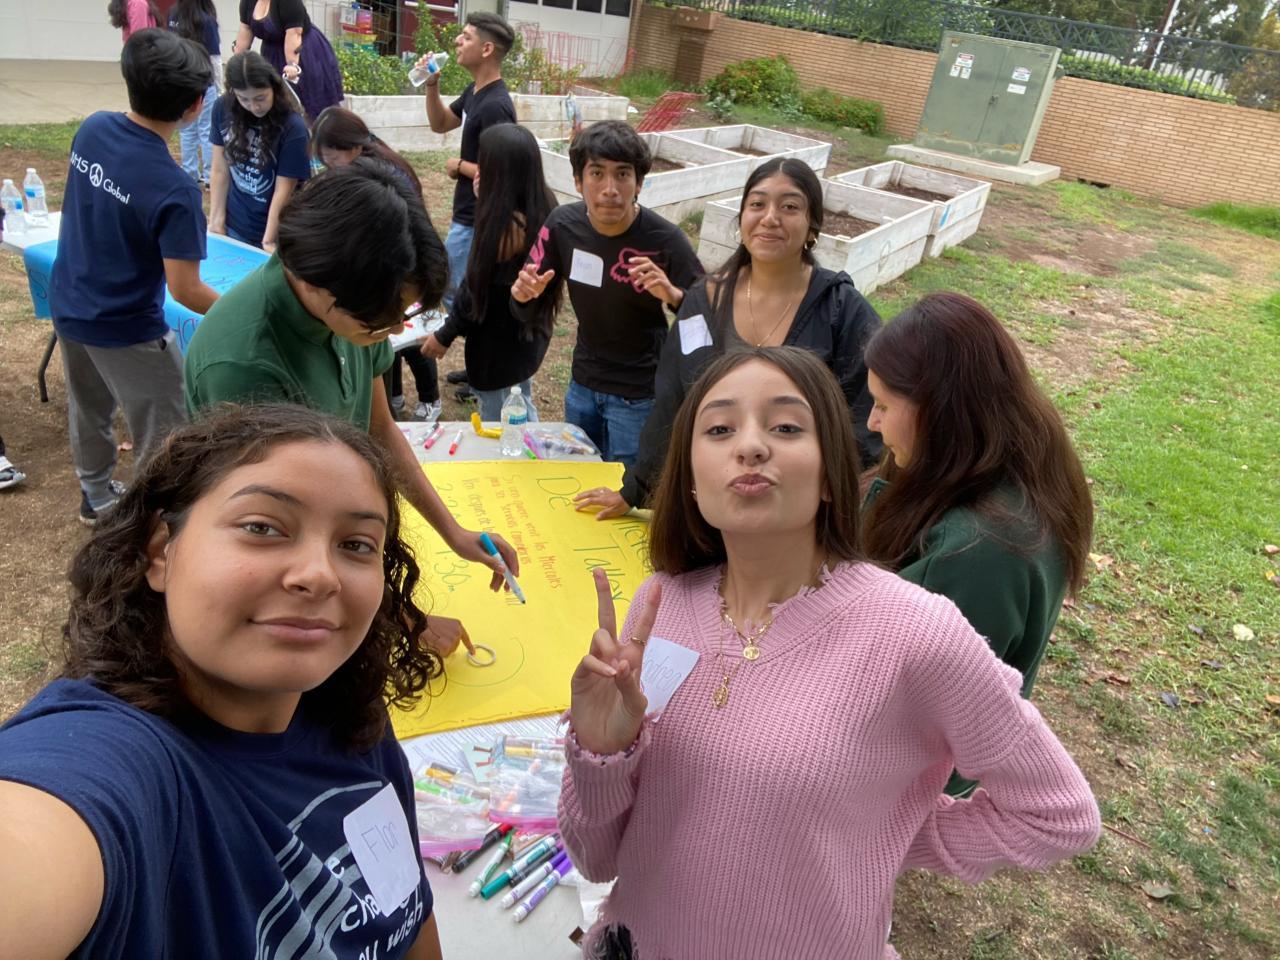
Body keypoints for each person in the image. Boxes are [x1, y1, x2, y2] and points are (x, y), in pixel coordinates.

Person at [558, 347, 1100, 960]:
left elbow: (1056, 816)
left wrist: (882, 831)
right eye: (720, 429)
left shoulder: (917, 633)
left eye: (786, 427)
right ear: (689, 477)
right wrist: (600, 753)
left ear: (828, 474)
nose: (750, 446)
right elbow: (596, 860)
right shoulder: (658, 608)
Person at [0, 404, 443, 959]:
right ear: (160, 552)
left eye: (356, 544)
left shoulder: (350, 715)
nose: (319, 575)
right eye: (262, 528)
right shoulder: (115, 765)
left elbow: (405, 914)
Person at [185, 160, 519, 600]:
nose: (396, 329)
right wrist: (399, 617)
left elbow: (379, 428)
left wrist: (453, 532)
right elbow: (277, 535)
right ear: (317, 283)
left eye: (402, 314)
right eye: (382, 319)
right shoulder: (242, 364)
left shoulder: (355, 306)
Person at [860, 291, 1094, 796]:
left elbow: (894, 701)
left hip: (902, 780)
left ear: (940, 411)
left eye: (883, 405)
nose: (872, 423)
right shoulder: (1017, 459)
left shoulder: (973, 553)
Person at [574, 157, 881, 519]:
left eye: (789, 207)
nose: (770, 218)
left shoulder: (841, 309)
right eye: (757, 204)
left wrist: (822, 491)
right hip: (712, 503)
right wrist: (637, 488)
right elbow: (673, 399)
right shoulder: (704, 300)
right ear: (742, 219)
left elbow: (867, 418)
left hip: (798, 510)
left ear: (812, 225)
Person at [50, 28, 219, 526]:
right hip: (126, 327)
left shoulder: (93, 129)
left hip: (70, 303)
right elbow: (186, 288)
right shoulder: (175, 189)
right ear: (195, 106)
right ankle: (153, 526)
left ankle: (96, 495)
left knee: (89, 406)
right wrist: (242, 310)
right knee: (168, 432)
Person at [511, 120, 702, 466]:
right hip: (582, 384)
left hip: (639, 396)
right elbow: (524, 302)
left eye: (622, 174)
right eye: (597, 174)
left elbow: (709, 315)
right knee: (578, 474)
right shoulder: (562, 225)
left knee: (630, 486)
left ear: (639, 183)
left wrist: (673, 295)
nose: (610, 189)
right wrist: (523, 298)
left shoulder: (665, 240)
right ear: (578, 181)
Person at [312, 105, 441, 422]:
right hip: (381, 267)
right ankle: (393, 396)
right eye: (325, 161)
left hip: (400, 265)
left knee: (408, 336)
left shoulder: (380, 175)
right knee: (386, 337)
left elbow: (397, 233)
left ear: (354, 146)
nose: (330, 166)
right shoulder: (363, 162)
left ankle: (429, 398)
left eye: (333, 158)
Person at [421, 124, 559, 422]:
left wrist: (444, 335)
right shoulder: (542, 203)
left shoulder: (505, 226)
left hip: (498, 349)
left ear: (501, 173)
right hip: (525, 338)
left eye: (485, 164)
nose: (478, 170)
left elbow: (474, 290)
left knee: (504, 419)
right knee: (519, 398)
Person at [419, 11, 518, 315]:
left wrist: (460, 165)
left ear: (486, 49)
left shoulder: (496, 106)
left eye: (466, 36)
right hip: (466, 211)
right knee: (454, 288)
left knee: (453, 290)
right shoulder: (474, 92)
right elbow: (440, 123)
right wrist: (432, 85)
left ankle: (469, 333)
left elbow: (502, 174)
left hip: (477, 216)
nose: (457, 41)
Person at [209, 51, 310, 251]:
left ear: (273, 87)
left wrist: (269, 240)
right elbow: (220, 168)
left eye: (260, 98)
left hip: (276, 229)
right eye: (244, 99)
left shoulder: (293, 128)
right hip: (236, 223)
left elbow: (284, 189)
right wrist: (216, 221)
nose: (254, 106)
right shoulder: (222, 108)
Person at [232, 0, 344, 121]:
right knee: (277, 107)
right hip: (271, 55)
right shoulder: (247, 2)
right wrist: (236, 63)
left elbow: (294, 33)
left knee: (310, 107)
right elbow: (245, 29)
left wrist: (292, 65)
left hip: (303, 52)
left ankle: (315, 129)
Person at [168, 0, 222, 187]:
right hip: (204, 80)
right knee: (207, 129)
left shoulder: (174, 14)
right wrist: (219, 86)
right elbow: (214, 58)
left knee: (186, 129)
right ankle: (209, 176)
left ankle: (189, 173)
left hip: (181, 80)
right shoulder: (206, 20)